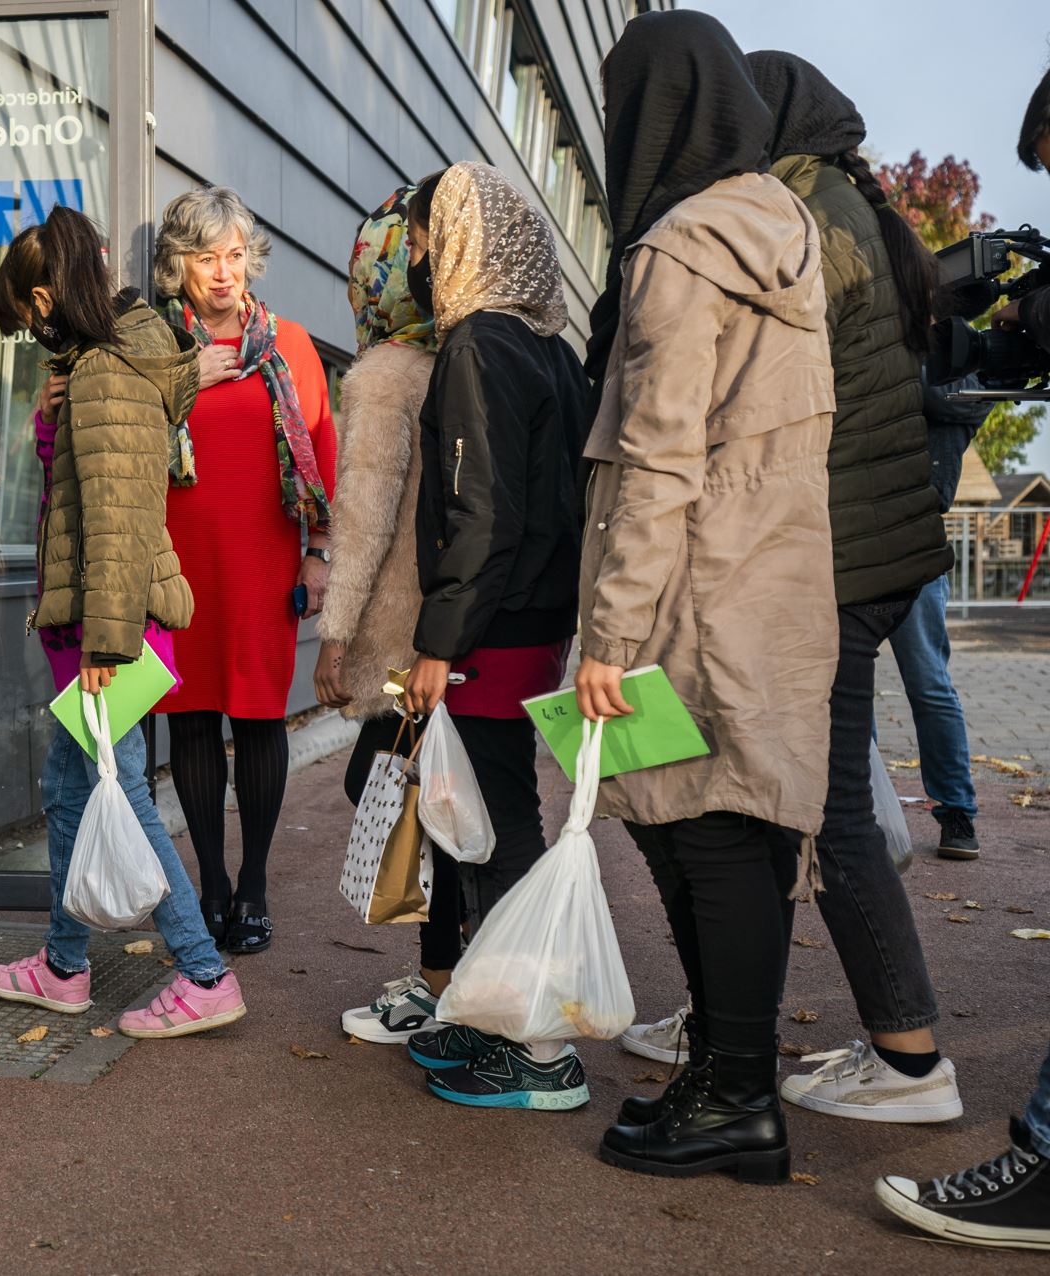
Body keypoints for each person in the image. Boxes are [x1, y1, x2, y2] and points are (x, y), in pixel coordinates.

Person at [620, 51, 965, 1125]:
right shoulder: (847, 211)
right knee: (796, 800)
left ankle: (904, 1060)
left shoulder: (795, 222)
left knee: (818, 809)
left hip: (831, 555)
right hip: (871, 551)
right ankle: (738, 1028)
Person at [576, 10, 838, 1182]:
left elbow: (657, 458)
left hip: (686, 592)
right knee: (732, 829)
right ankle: (729, 1080)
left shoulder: (682, 249)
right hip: (770, 586)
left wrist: (607, 634)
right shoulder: (783, 233)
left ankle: (738, 1095)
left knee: (703, 840)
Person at [0, 206, 246, 1039]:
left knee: (117, 791)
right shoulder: (96, 364)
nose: (30, 334)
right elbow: (81, 491)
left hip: (105, 630)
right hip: (93, 626)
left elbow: (120, 517)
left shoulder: (109, 369)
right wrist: (53, 417)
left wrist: (102, 643)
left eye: (27, 318)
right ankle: (63, 964)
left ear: (49, 295)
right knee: (69, 789)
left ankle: (203, 973)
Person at [875, 76, 1050, 1248]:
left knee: (933, 681)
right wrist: (985, 294)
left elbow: (960, 395)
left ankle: (1046, 1158)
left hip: (912, 528)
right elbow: (987, 354)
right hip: (881, 524)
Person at [387, 164, 588, 1110]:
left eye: (424, 239)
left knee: (498, 829)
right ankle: (495, 1012)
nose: (417, 259)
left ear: (463, 240)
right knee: (493, 820)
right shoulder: (552, 347)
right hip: (534, 618)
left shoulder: (475, 347)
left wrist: (438, 641)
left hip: (489, 625)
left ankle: (538, 1048)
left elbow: (481, 513)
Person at [152, 185, 338, 955]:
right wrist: (186, 377)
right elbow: (121, 431)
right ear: (179, 266)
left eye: (233, 255)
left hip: (265, 560)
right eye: (205, 258)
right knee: (191, 718)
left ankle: (254, 884)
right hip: (181, 562)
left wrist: (319, 553)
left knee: (260, 717)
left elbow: (323, 454)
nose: (223, 273)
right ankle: (212, 884)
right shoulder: (155, 347)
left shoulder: (289, 343)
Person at [312, 186, 448, 1045]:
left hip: (400, 636)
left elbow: (361, 519)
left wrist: (333, 637)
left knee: (397, 792)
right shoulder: (457, 361)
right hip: (453, 627)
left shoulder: (383, 377)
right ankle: (444, 970)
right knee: (433, 798)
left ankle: (442, 977)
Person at [887, 373, 989, 861]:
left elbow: (952, 400)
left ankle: (955, 809)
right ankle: (860, 809)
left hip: (918, 538)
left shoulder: (962, 358)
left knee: (928, 682)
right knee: (846, 685)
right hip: (843, 532)